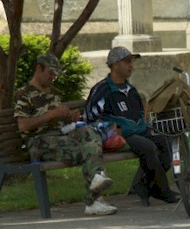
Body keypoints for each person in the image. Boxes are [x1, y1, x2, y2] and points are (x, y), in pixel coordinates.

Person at [14, 53, 117, 216]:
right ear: (39, 69)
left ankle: (98, 176)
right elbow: (23, 125)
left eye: (55, 74)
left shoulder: (53, 92)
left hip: (61, 135)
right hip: (39, 143)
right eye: (50, 73)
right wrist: (52, 114)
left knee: (89, 132)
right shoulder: (24, 94)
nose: (53, 77)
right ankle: (94, 200)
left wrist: (70, 118)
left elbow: (59, 121)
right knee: (87, 150)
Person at [84, 46, 177, 206]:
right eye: (127, 62)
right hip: (118, 136)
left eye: (131, 62)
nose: (131, 66)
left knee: (166, 143)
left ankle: (143, 185)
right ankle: (162, 190)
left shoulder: (131, 90)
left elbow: (139, 115)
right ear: (114, 65)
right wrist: (110, 128)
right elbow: (90, 118)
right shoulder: (102, 90)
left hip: (139, 130)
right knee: (147, 147)